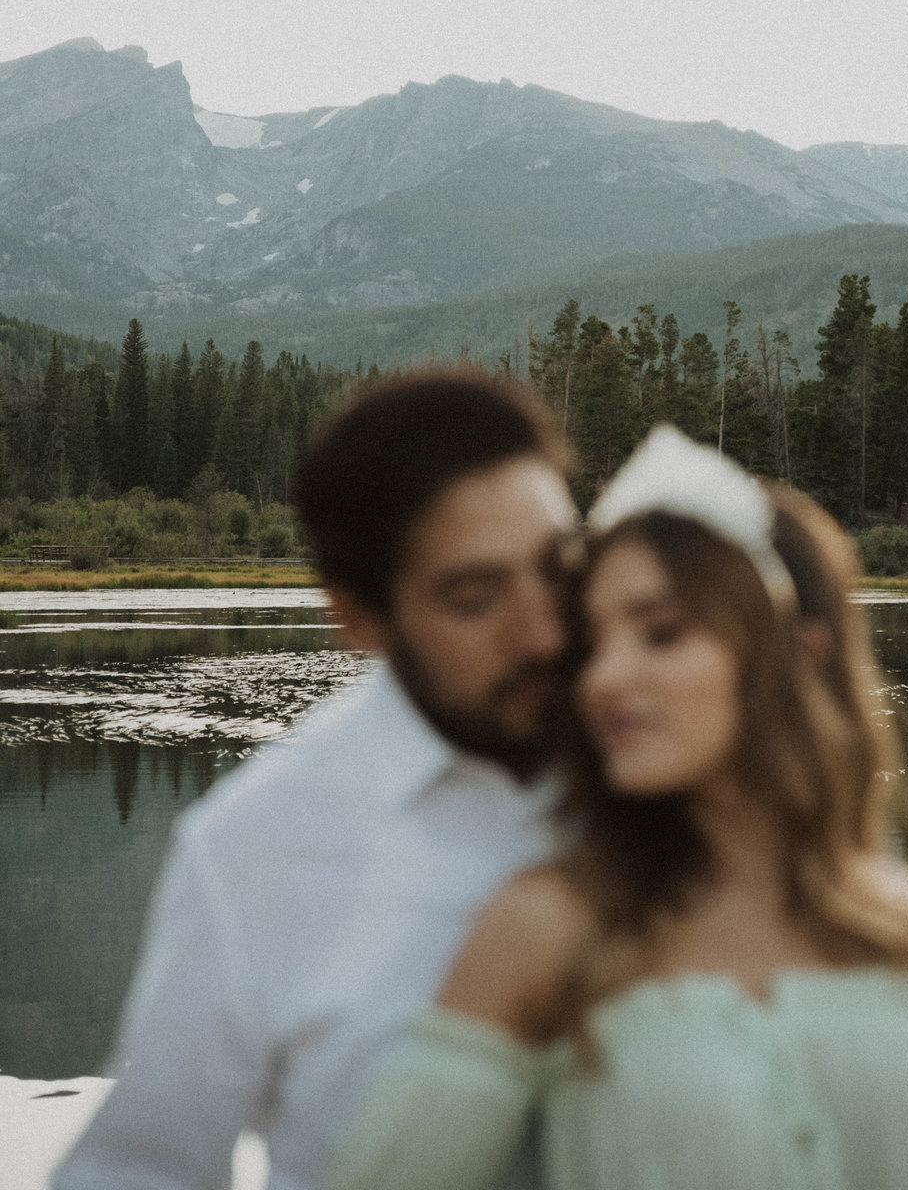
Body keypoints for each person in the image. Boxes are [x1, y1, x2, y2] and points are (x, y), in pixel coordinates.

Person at [323, 425, 908, 1190]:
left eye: (662, 632)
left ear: (801, 653)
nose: (604, 679)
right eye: (591, 644)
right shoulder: (548, 930)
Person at [55, 369, 579, 1190]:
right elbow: (140, 1174)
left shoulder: (682, 772)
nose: (546, 630)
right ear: (358, 619)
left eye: (561, 566)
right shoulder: (254, 850)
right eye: (476, 598)